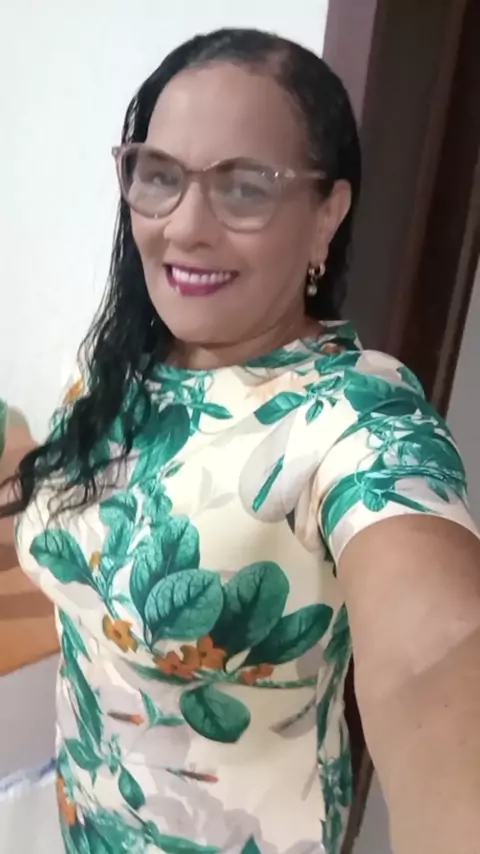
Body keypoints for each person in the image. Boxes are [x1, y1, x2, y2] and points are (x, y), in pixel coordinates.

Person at [2, 26, 480, 854]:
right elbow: (68, 510)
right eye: (160, 176)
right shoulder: (119, 366)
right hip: (88, 820)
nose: (186, 227)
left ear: (327, 213)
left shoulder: (355, 416)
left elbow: (437, 656)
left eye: (245, 187)